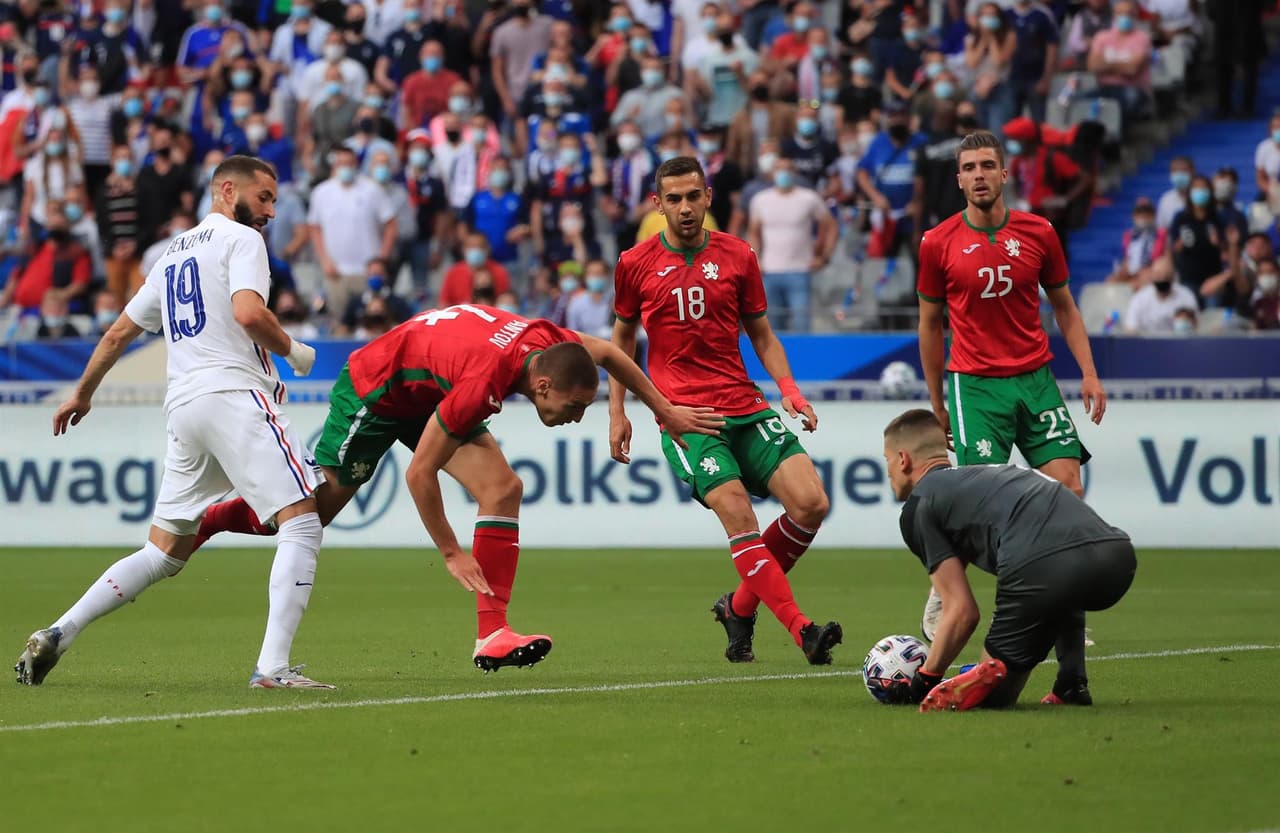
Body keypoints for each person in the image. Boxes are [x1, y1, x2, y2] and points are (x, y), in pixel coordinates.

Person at [192, 305, 722, 672]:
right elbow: (418, 474)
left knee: (503, 489)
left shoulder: (548, 344)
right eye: (575, 407)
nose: (577, 417)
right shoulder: (485, 383)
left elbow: (605, 351)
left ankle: (492, 634)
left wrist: (665, 410)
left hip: (432, 386)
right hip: (376, 389)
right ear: (542, 386)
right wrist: (451, 552)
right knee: (312, 514)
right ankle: (211, 519)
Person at [14, 156, 326, 689]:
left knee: (162, 553)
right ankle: (273, 668)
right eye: (264, 197)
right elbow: (249, 313)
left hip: (184, 406)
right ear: (227, 190)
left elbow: (117, 333)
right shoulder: (242, 240)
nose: (271, 211)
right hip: (233, 395)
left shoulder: (171, 253)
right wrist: (295, 351)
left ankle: (59, 632)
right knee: (302, 522)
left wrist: (82, 394)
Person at [610, 155, 843, 667]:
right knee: (739, 513)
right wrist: (617, 411)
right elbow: (621, 341)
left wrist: (789, 389)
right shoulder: (634, 263)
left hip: (745, 403)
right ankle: (802, 629)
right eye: (674, 199)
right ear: (657, 204)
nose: (685, 208)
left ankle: (738, 608)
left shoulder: (738, 255)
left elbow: (762, 333)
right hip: (687, 418)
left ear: (708, 197)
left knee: (811, 503)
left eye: (693, 196)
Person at [916, 130, 1107, 679]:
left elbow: (1065, 307)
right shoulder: (937, 242)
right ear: (958, 179)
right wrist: (936, 401)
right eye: (969, 167)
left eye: (987, 165)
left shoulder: (1038, 231)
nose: (978, 175)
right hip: (974, 385)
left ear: (1004, 173)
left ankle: (1060, 605)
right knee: (978, 503)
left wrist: (1089, 372)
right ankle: (944, 595)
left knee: (1069, 491)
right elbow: (930, 325)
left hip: (1035, 380)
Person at [879, 409, 1137, 711]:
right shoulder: (987, 475)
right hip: (1116, 557)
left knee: (990, 702)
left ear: (903, 459)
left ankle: (986, 679)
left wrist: (924, 679)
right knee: (1063, 584)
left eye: (887, 460)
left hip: (1044, 567)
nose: (888, 471)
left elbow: (962, 612)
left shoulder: (921, 504)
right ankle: (1071, 684)